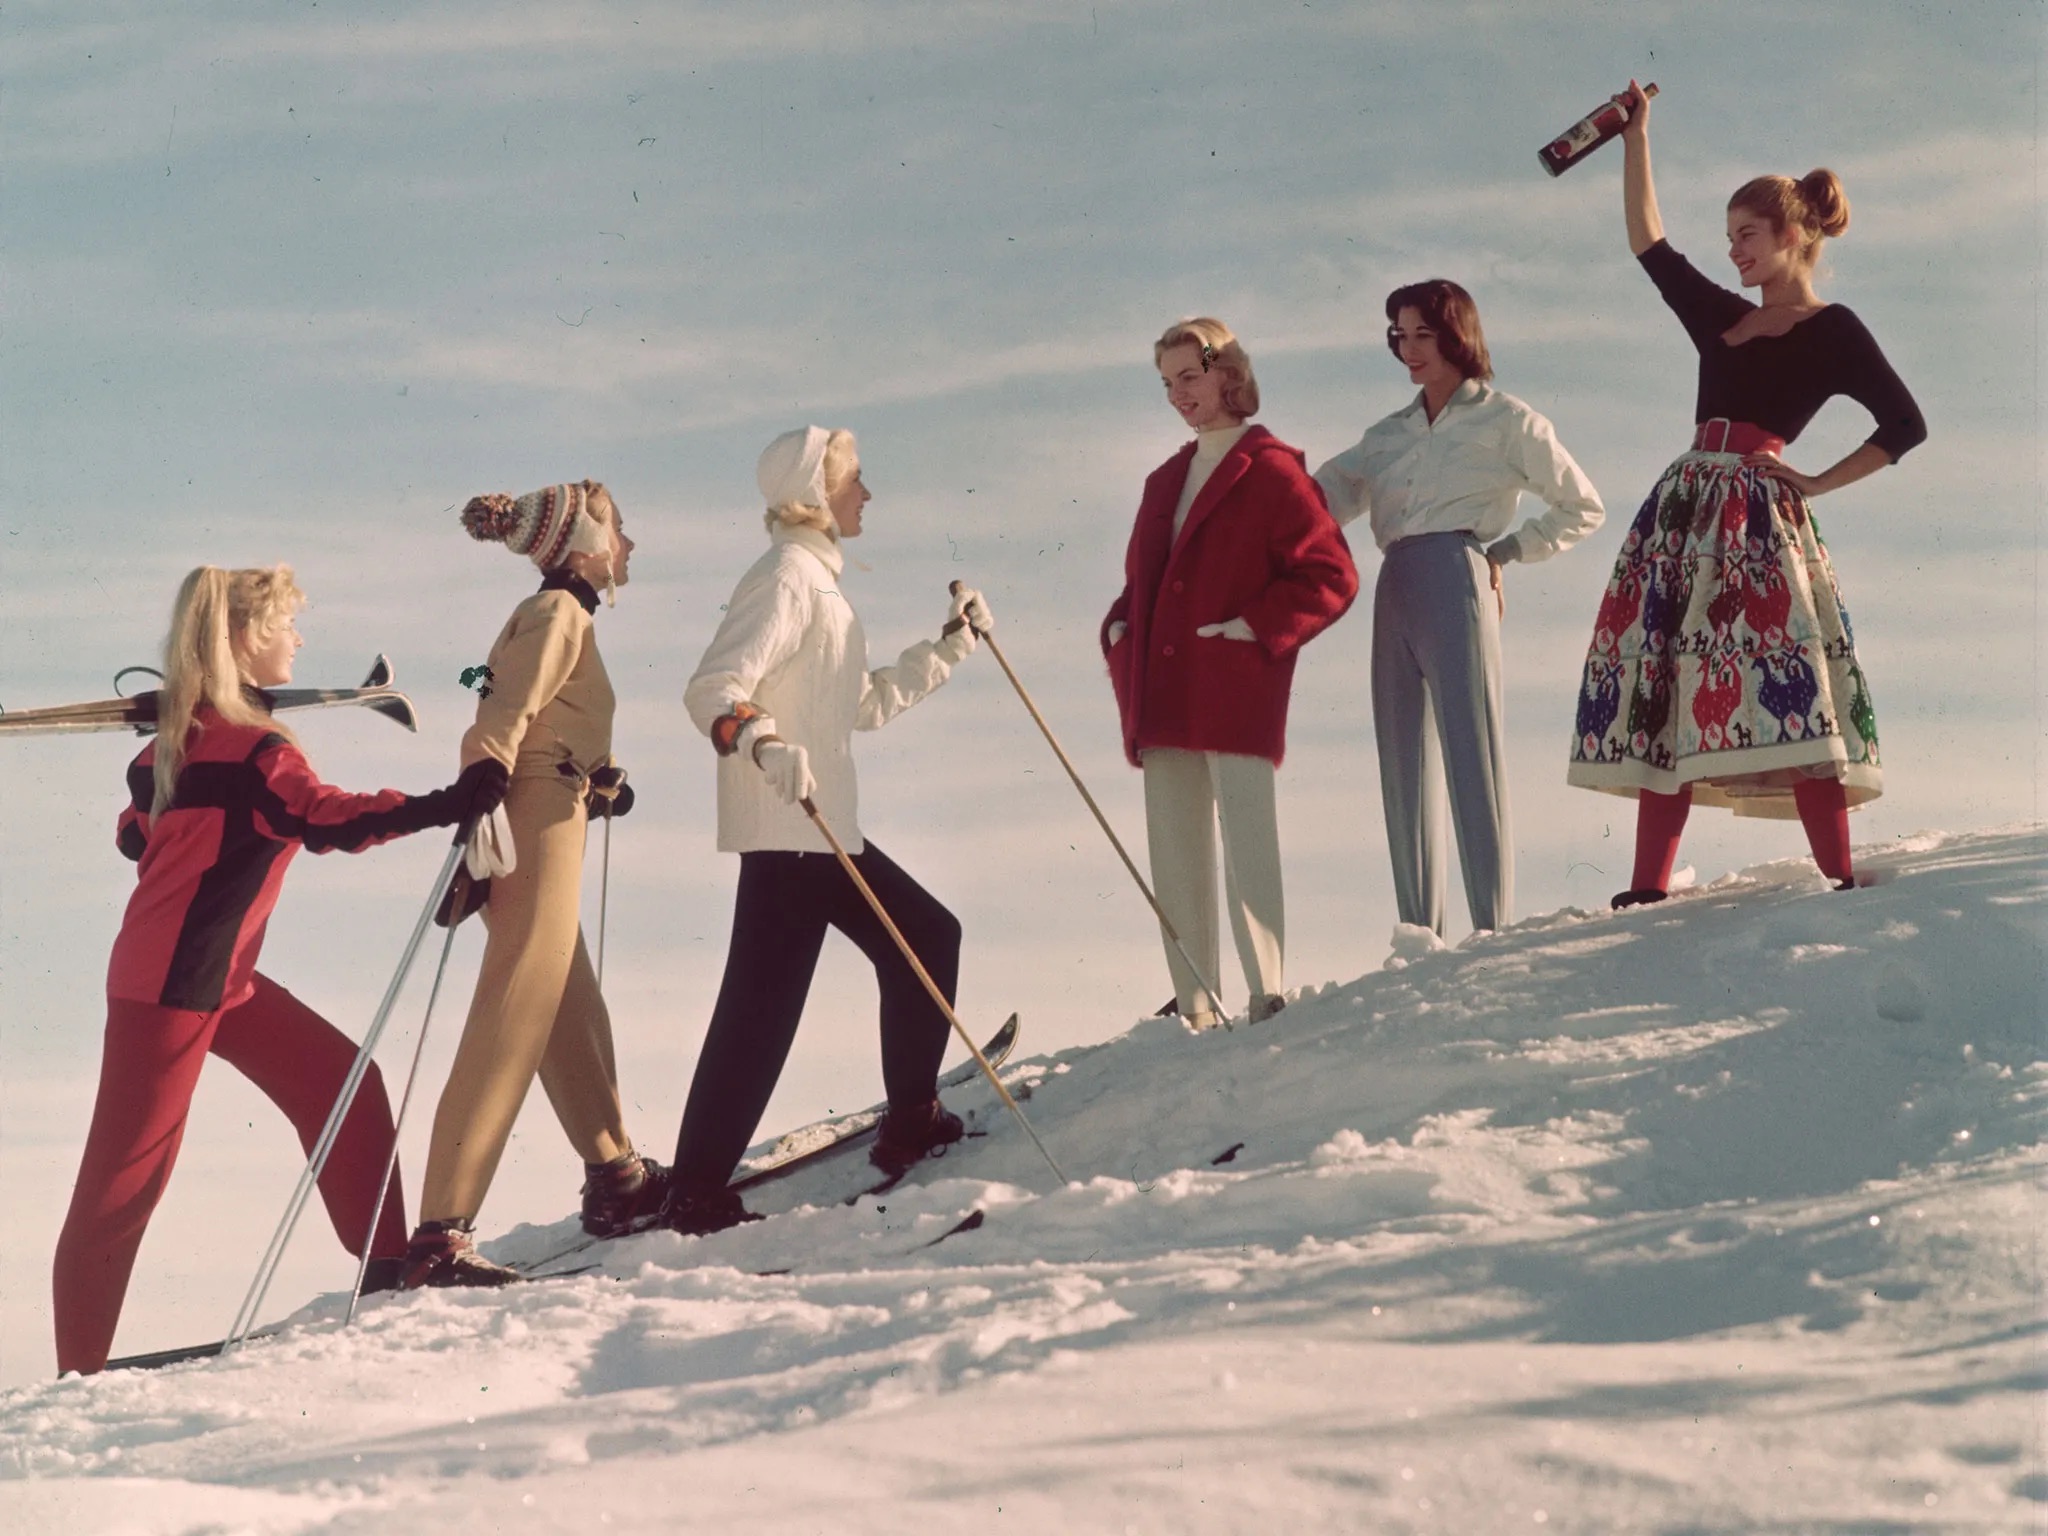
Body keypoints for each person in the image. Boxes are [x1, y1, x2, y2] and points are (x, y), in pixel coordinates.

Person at [52, 564, 506, 1374]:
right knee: (126, 1183)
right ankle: (77, 1376)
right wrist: (447, 800)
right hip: (171, 989)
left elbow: (132, 836)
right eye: (287, 625)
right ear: (244, 638)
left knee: (342, 1081)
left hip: (215, 978)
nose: (298, 639)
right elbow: (326, 819)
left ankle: (390, 1269)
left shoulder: (166, 751)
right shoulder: (255, 752)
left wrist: (189, 750)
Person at [1566, 83, 1926, 904]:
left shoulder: (1833, 329)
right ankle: (1646, 887)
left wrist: (1817, 481)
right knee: (1665, 680)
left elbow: (1905, 423)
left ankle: (1839, 876)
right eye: (1729, 237)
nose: (1733, 251)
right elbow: (1649, 244)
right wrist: (1635, 139)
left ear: (1793, 235)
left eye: (1747, 235)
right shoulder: (1719, 317)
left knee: (1788, 678)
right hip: (1682, 514)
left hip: (1758, 521)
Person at [666, 426, 992, 1235]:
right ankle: (698, 1191)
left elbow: (861, 706)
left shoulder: (820, 583)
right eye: (855, 480)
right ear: (817, 493)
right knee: (771, 1006)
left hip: (821, 828)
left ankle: (905, 1121)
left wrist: (951, 648)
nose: (866, 494)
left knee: (909, 946)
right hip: (789, 824)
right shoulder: (786, 577)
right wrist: (761, 741)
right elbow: (714, 687)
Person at [398, 482, 665, 1288]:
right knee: (519, 1003)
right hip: (539, 811)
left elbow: (529, 705)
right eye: (620, 529)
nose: (630, 544)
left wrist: (598, 778)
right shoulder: (557, 614)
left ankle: (617, 1176)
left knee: (565, 1005)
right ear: (585, 542)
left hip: (553, 802)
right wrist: (486, 771)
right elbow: (506, 705)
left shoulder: (558, 613)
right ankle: (442, 1232)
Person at [1316, 281, 1605, 941]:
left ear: (1457, 335)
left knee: (1472, 751)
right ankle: (1419, 935)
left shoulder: (1506, 420)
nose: (1409, 349)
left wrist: (1508, 551)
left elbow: (1581, 505)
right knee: (1401, 762)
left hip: (1459, 573)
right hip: (1395, 583)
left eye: (1423, 334)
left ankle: (1492, 930)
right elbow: (1317, 499)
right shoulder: (1385, 436)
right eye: (1400, 336)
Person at [1103, 318, 1358, 1030]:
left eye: (1190, 376)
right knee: (1175, 854)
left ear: (1229, 374)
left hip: (1232, 686)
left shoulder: (1272, 470)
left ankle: (1266, 993)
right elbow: (1142, 582)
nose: (1178, 395)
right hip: (1161, 691)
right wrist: (1119, 629)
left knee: (1248, 846)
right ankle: (1195, 1007)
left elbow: (1332, 576)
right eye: (1167, 384)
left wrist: (1253, 628)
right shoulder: (1164, 479)